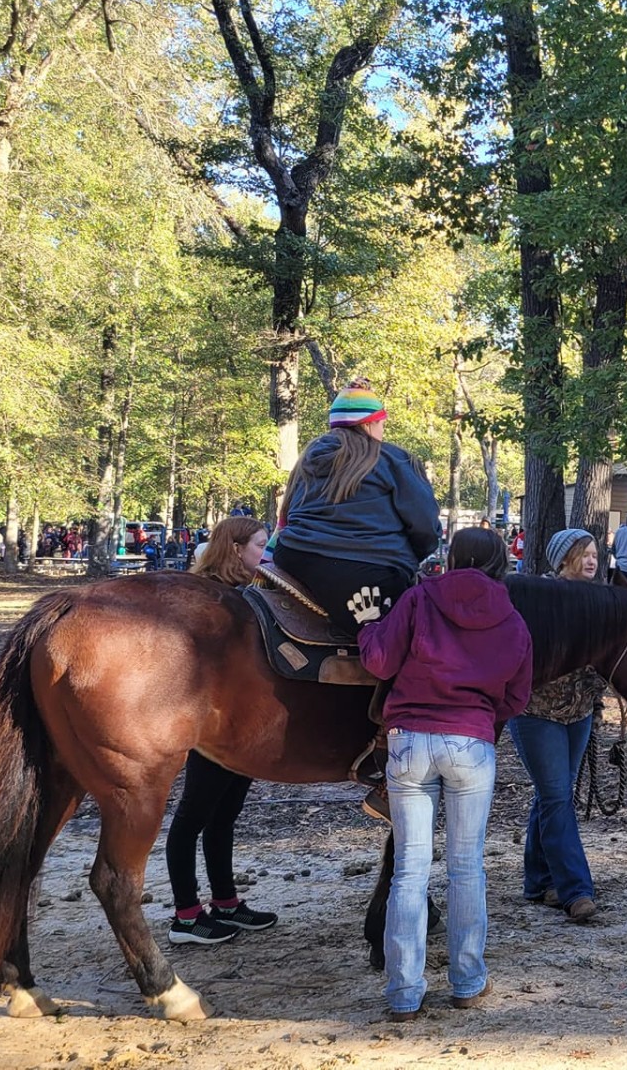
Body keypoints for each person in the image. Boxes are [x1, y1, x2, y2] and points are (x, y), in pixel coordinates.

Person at [359, 527, 532, 1022]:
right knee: (466, 867)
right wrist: (481, 717)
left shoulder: (418, 598)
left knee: (410, 870)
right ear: (499, 563)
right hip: (471, 742)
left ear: (452, 557)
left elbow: (379, 661)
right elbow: (517, 695)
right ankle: (467, 981)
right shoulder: (512, 619)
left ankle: (403, 992)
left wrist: (368, 625)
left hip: (409, 739)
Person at [162, 516, 278, 946]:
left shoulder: (246, 592)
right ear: (235, 548)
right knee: (192, 816)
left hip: (239, 722)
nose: (265, 554)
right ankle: (186, 916)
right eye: (260, 545)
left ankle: (225, 902)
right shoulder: (209, 597)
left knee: (224, 815)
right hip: (211, 724)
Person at [271, 381, 441, 637]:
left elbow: (286, 516)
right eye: (382, 423)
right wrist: (411, 556)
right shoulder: (396, 460)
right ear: (369, 424)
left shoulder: (308, 458)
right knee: (415, 638)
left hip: (296, 558)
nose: (383, 430)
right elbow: (425, 525)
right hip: (370, 570)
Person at [510, 529, 608, 922]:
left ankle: (538, 880)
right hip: (536, 713)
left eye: (595, 554)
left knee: (553, 794)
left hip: (579, 713)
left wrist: (598, 703)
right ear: (563, 558)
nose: (591, 560)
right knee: (556, 797)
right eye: (584, 554)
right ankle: (575, 890)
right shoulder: (538, 598)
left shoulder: (599, 600)